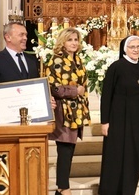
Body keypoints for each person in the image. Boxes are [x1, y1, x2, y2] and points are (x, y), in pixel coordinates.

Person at [98, 35, 139, 195]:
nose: (136, 50)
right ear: (125, 49)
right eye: (132, 47)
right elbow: (106, 95)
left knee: (133, 158)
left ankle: (128, 190)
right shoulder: (116, 67)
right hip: (117, 121)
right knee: (115, 157)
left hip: (136, 122)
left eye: (138, 47)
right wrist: (104, 121)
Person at [46, 27, 90, 195]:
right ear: (62, 42)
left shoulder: (78, 59)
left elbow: (83, 84)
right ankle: (64, 188)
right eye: (70, 39)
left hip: (76, 113)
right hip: (63, 113)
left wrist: (80, 92)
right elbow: (54, 88)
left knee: (69, 151)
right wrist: (75, 91)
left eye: (76, 40)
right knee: (64, 150)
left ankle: (61, 189)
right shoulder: (56, 60)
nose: (74, 43)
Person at [0, 22, 41, 124]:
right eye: (21, 35)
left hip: (32, 117)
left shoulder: (32, 60)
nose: (25, 38)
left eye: (26, 35)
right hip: (6, 118)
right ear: (8, 37)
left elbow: (36, 88)